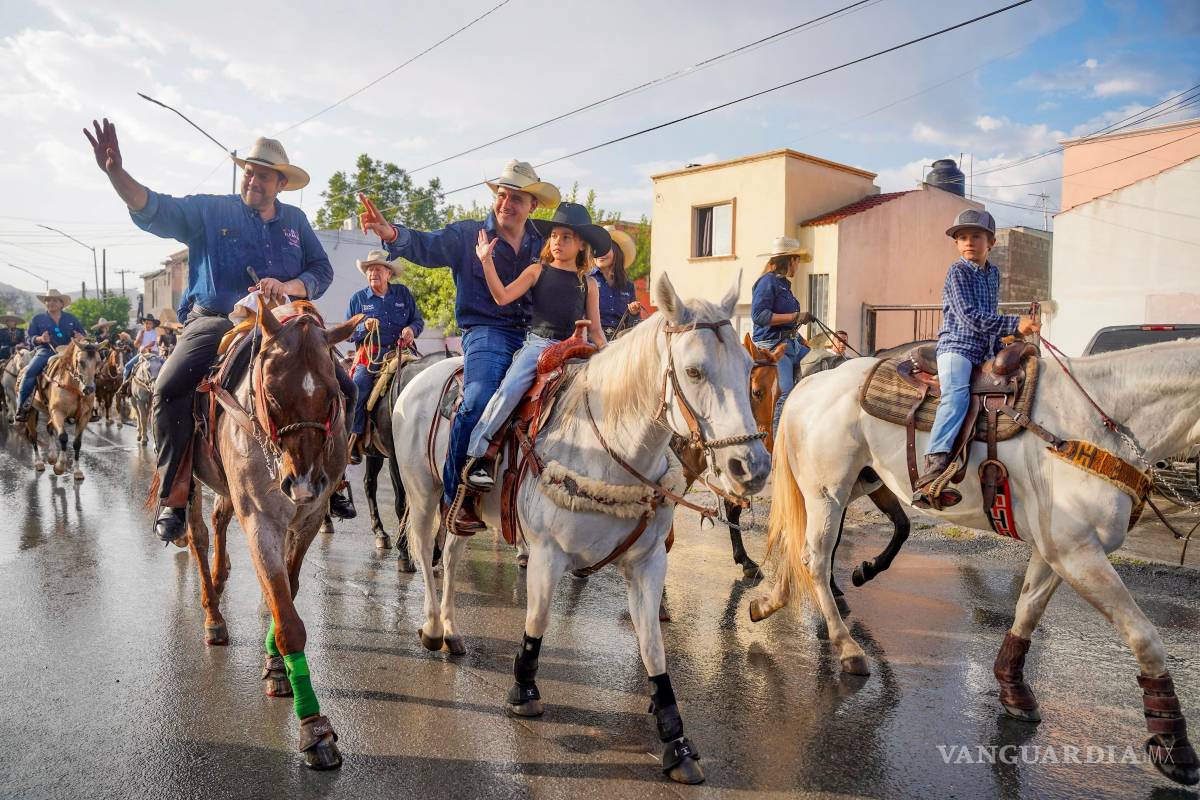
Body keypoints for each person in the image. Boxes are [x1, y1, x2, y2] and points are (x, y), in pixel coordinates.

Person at [84, 120, 345, 542]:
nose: (253, 179)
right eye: (249, 171)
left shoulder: (296, 220)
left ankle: (332, 482)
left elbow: (322, 270)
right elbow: (155, 208)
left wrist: (291, 287)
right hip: (217, 319)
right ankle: (174, 496)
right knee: (168, 388)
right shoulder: (211, 210)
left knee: (344, 385)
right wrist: (116, 172)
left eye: (263, 174)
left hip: (283, 324)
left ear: (281, 183)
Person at [359, 159, 560, 534]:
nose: (507, 203)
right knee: (480, 394)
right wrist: (390, 233)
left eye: (517, 198)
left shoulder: (544, 242)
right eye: (503, 195)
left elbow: (572, 267)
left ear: (532, 205)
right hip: (486, 330)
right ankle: (458, 494)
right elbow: (425, 245)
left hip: (537, 333)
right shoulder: (467, 235)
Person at [461, 202, 609, 498]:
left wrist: (612, 356)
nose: (557, 242)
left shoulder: (589, 283)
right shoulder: (537, 271)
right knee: (509, 390)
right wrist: (486, 262)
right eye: (554, 235)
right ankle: (479, 456)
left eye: (566, 237)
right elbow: (502, 297)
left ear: (581, 245)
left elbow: (596, 332)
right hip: (539, 347)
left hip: (577, 351)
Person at [913, 209, 1040, 503]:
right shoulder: (957, 272)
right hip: (957, 347)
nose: (968, 242)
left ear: (991, 242)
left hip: (985, 348)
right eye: (962, 237)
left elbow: (990, 314)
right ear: (957, 244)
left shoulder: (993, 273)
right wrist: (1013, 323)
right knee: (956, 396)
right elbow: (970, 316)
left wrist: (1012, 337)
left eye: (976, 236)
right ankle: (935, 463)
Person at [345, 250, 424, 464]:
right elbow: (348, 333)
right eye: (370, 270)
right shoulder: (358, 299)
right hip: (369, 357)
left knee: (423, 381)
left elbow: (418, 321)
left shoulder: (402, 294)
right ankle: (355, 436)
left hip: (400, 352)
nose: (373, 273)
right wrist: (363, 326)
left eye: (378, 269)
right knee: (357, 386)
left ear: (388, 274)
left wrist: (411, 330)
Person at [750, 236, 813, 433]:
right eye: (798, 260)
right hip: (772, 347)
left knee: (821, 366)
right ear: (791, 260)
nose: (799, 265)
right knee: (785, 392)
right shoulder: (766, 282)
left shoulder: (784, 284)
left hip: (791, 343)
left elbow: (787, 321)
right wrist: (794, 315)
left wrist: (802, 338)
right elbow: (759, 316)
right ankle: (777, 440)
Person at [15, 289, 86, 420]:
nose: (50, 303)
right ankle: (22, 407)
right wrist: (40, 339)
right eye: (48, 300)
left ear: (61, 304)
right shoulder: (37, 319)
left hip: (69, 353)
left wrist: (81, 337)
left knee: (89, 370)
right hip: (45, 351)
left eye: (54, 300)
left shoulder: (71, 319)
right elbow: (29, 338)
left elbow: (83, 335)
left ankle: (90, 407)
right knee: (29, 372)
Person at [593, 225, 642, 339]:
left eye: (605, 248)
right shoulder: (587, 280)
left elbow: (632, 324)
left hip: (619, 344)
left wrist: (634, 313)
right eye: (598, 248)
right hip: (592, 343)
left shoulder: (628, 285)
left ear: (617, 252)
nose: (601, 253)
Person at [121, 316, 161, 385]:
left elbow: (153, 343)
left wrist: (144, 346)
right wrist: (139, 339)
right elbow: (136, 344)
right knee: (127, 366)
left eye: (150, 323)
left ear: (153, 325)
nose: (147, 325)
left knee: (164, 365)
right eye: (146, 323)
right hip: (142, 354)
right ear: (143, 324)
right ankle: (124, 384)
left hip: (153, 353)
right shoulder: (141, 332)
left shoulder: (153, 332)